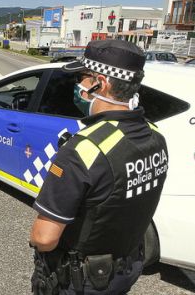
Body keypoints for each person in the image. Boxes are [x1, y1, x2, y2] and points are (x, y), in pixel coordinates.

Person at [29, 39, 169, 294]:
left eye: (82, 77)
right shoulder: (155, 135)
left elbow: (44, 238)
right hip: (126, 268)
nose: (77, 85)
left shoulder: (84, 150)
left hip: (82, 282)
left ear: (100, 83)